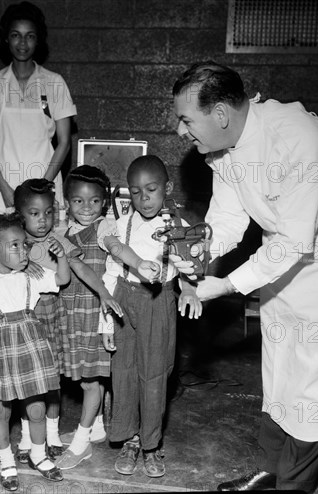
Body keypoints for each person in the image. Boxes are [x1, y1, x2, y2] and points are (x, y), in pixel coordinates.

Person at [172, 61, 318, 493]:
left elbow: (294, 240)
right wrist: (199, 253)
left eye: (185, 119)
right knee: (282, 370)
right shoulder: (225, 145)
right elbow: (230, 219)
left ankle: (293, 484)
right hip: (284, 257)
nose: (180, 130)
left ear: (220, 115)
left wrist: (227, 284)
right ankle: (270, 472)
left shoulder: (296, 139)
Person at [101, 155, 202, 479]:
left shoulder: (179, 227)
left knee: (155, 376)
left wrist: (188, 290)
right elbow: (111, 273)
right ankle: (130, 438)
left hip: (158, 302)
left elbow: (188, 269)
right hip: (123, 300)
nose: (144, 198)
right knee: (124, 373)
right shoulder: (120, 224)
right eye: (135, 191)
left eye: (151, 189)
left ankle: (151, 443)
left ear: (167, 188)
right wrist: (107, 319)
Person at [55, 165, 162, 469]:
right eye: (78, 201)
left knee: (91, 381)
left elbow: (116, 248)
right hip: (73, 310)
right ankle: (98, 427)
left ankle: (80, 443)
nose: (86, 208)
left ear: (104, 203)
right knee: (90, 378)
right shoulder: (63, 232)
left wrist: (139, 263)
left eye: (94, 201)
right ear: (67, 203)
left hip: (98, 310)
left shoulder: (105, 227)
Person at [13, 178, 123, 462]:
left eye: (49, 213)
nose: (43, 220)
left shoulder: (58, 240)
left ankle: (49, 434)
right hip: (17, 318)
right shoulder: (12, 239)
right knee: (23, 378)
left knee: (50, 378)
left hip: (50, 317)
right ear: (20, 214)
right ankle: (27, 434)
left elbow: (80, 267)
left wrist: (103, 294)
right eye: (35, 214)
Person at [0, 214, 69, 491]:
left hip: (31, 350)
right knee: (0, 410)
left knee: (37, 409)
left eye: (25, 245)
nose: (23, 251)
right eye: (15, 246)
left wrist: (62, 256)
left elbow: (62, 278)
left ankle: (38, 454)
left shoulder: (29, 277)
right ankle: (7, 460)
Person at [0, 1, 77, 215]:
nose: (23, 42)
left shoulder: (54, 83)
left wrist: (42, 187)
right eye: (15, 35)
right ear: (6, 38)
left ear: (38, 40)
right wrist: (4, 188)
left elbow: (65, 142)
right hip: (3, 186)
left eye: (30, 36)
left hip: (44, 183)